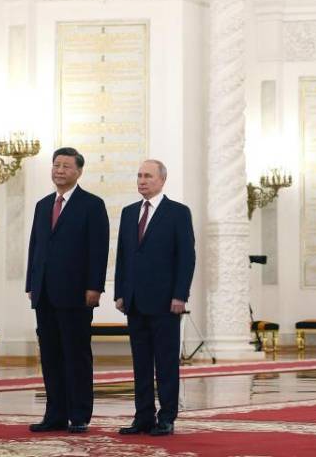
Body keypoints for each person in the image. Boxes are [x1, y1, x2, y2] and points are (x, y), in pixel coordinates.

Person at [25, 147, 109, 434]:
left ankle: (79, 414)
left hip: (76, 293)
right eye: (56, 165)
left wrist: (95, 286)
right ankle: (55, 414)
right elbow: (35, 247)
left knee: (76, 355)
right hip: (44, 293)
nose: (59, 170)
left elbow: (99, 249)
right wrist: (31, 284)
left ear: (78, 171)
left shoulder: (92, 205)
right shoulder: (42, 205)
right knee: (50, 355)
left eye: (65, 166)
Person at [114, 159, 195, 436]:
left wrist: (180, 295)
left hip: (165, 302)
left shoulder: (178, 213)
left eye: (147, 176)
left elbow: (186, 257)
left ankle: (167, 417)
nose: (142, 180)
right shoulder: (128, 213)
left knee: (166, 362)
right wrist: (120, 293)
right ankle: (143, 417)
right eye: (139, 175)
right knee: (141, 363)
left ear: (162, 180)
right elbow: (123, 256)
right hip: (134, 301)